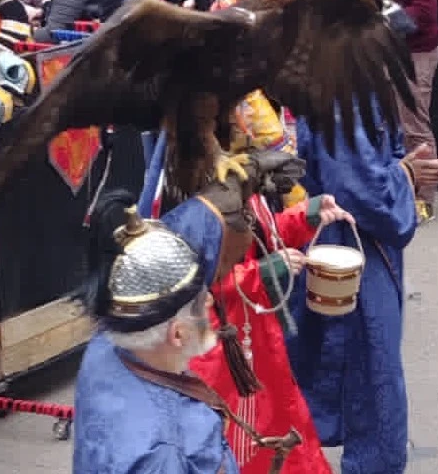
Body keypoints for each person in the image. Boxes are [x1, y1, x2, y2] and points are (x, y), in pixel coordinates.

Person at [73, 147, 305, 473]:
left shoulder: (112, 341)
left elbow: (171, 253)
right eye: (200, 301)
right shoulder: (166, 454)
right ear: (178, 333)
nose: (210, 300)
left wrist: (223, 194)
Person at [285, 100, 438, 474]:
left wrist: (403, 170)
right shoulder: (345, 94)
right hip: (344, 245)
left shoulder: (329, 81)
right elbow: (364, 193)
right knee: (369, 377)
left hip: (319, 237)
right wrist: (405, 176)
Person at [352, 0, 438, 223]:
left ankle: (423, 199)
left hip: (415, 54)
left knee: (414, 125)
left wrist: (383, 17)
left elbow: (425, 13)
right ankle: (392, 187)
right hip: (385, 50)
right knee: (383, 121)